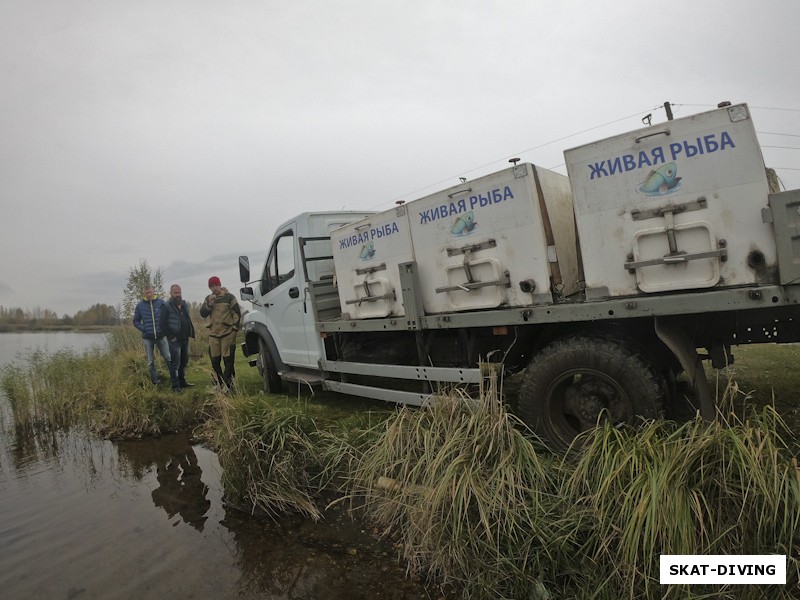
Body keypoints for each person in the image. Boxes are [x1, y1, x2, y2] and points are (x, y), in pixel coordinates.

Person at [199, 276, 241, 390]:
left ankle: (229, 385)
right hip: (213, 335)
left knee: (228, 361)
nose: (214, 288)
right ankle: (218, 383)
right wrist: (209, 305)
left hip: (227, 334)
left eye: (216, 285)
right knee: (215, 361)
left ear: (220, 285)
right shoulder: (208, 298)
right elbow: (203, 313)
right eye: (212, 286)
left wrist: (235, 329)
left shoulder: (229, 297)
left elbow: (236, 313)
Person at [132, 286, 172, 386]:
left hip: (161, 336)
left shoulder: (161, 303)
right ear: (144, 294)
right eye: (146, 293)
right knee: (150, 361)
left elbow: (168, 317)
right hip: (147, 338)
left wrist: (165, 328)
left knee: (168, 357)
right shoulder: (140, 306)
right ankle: (155, 382)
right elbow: (136, 321)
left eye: (150, 292)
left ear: (153, 292)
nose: (149, 294)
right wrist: (144, 328)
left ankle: (174, 378)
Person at [160, 284, 196, 392]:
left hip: (185, 337)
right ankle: (175, 386)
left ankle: (182, 381)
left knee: (184, 361)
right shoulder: (166, 306)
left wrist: (190, 331)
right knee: (175, 363)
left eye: (179, 292)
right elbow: (162, 324)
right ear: (171, 293)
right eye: (175, 293)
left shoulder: (184, 304)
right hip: (174, 340)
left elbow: (187, 319)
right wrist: (171, 336)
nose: (178, 295)